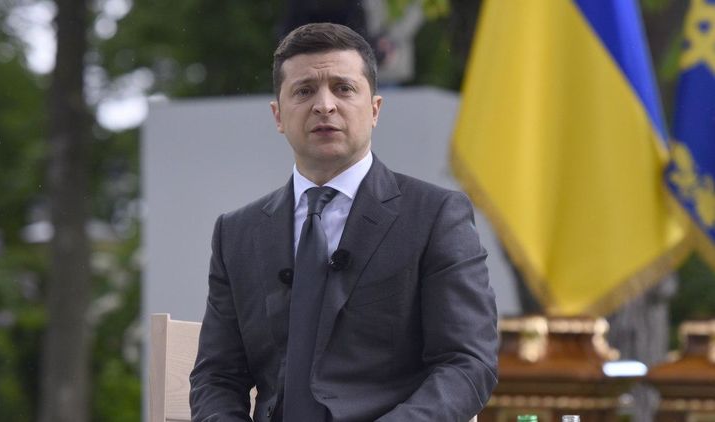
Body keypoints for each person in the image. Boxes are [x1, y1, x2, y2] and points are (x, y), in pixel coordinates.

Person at [189, 22, 498, 422]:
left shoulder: (435, 216)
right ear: (278, 115)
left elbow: (467, 364)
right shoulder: (237, 234)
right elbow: (216, 377)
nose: (324, 105)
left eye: (343, 88)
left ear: (375, 109)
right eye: (304, 91)